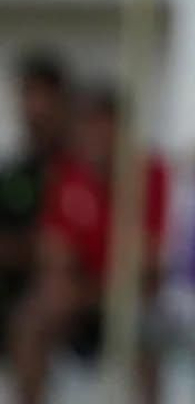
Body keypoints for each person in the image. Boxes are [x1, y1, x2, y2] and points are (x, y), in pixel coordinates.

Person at [9, 86, 169, 404]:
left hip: (136, 295)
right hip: (83, 296)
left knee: (148, 330)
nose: (97, 136)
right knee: (31, 320)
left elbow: (150, 257)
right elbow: (54, 247)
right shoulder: (68, 176)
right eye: (89, 125)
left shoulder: (150, 175)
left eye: (104, 125)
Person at [0, 52, 72, 332]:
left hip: (66, 309)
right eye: (28, 95)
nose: (36, 108)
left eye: (45, 96)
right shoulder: (14, 172)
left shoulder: (80, 170)